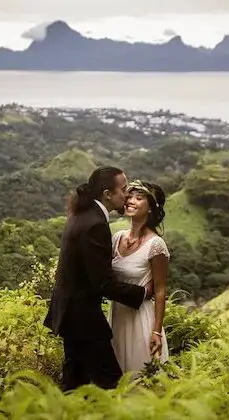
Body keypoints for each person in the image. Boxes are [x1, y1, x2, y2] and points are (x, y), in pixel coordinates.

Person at [43, 167, 153, 391]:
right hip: (82, 318)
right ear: (107, 194)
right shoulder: (95, 224)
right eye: (123, 189)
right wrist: (143, 292)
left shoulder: (82, 214)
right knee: (113, 385)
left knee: (75, 385)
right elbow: (102, 283)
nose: (128, 194)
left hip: (71, 313)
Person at [108, 179, 170, 376]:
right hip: (117, 316)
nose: (130, 201)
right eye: (129, 196)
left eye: (139, 198)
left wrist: (156, 332)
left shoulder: (156, 245)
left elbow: (160, 290)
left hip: (141, 319)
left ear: (150, 208)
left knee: (140, 380)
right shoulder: (117, 238)